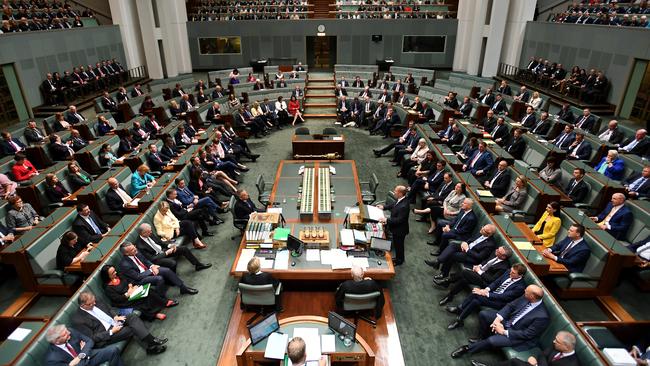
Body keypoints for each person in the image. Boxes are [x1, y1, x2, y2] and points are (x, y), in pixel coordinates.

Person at [451, 285, 550, 359]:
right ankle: (480, 337)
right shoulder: (526, 297)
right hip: (508, 321)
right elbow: (510, 305)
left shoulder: (542, 317)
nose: (524, 291)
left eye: (527, 292)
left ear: (532, 297)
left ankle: (467, 349)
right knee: (484, 314)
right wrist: (498, 319)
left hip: (517, 334)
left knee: (492, 340)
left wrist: (503, 331)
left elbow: (527, 334)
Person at [72, 291, 167, 355]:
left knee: (132, 317)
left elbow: (109, 308)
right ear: (83, 305)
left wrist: (115, 316)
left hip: (114, 321)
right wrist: (111, 331)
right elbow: (92, 338)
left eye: (94, 302)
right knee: (132, 329)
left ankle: (151, 342)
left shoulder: (95, 300)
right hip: (106, 334)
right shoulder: (79, 320)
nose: (94, 304)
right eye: (91, 304)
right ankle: (151, 346)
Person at [446, 264, 527, 330]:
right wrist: (486, 290)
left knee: (476, 294)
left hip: (500, 303)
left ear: (520, 275)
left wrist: (485, 294)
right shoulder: (508, 272)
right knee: (476, 301)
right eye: (511, 271)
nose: (510, 273)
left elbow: (503, 297)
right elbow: (496, 282)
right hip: (492, 293)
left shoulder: (520, 287)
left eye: (513, 273)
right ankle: (460, 319)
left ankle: (460, 311)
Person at [436, 246, 513, 305]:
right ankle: (450, 295)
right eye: (497, 249)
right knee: (464, 280)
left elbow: (491, 280)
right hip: (479, 271)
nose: (496, 251)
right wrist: (479, 266)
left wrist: (479, 271)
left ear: (503, 257)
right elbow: (486, 261)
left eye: (498, 252)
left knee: (465, 272)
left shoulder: (504, 267)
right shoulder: (495, 253)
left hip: (484, 281)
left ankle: (448, 281)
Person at [118, 241, 198, 295]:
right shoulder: (124, 264)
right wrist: (151, 269)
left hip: (148, 271)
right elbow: (137, 277)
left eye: (134, 247)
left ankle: (183, 288)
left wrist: (152, 266)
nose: (135, 249)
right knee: (159, 278)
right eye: (132, 249)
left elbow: (145, 260)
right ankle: (162, 299)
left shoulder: (136, 252)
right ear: (126, 253)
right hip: (140, 280)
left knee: (167, 270)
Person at [100, 265, 172, 322]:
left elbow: (129, 281)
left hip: (132, 292)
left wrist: (131, 287)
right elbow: (118, 299)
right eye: (112, 273)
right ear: (107, 276)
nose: (115, 273)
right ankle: (155, 315)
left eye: (114, 271)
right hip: (124, 301)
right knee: (139, 301)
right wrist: (128, 293)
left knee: (148, 291)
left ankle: (164, 302)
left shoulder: (118, 275)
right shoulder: (107, 287)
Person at [426, 224, 497, 279]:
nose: (481, 229)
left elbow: (479, 257)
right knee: (453, 245)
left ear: (489, 234)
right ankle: (437, 262)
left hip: (471, 257)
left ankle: (444, 273)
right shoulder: (481, 232)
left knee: (453, 255)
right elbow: (471, 240)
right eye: (482, 227)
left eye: (484, 230)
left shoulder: (490, 244)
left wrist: (467, 250)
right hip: (467, 248)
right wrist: (465, 243)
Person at [471, 331, 579, 366]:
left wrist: (536, 364)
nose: (553, 342)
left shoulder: (572, 363)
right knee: (514, 361)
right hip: (535, 364)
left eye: (557, 341)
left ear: (566, 346)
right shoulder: (556, 345)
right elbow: (542, 354)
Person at [135, 223, 211, 272]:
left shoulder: (149, 234)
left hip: (163, 251)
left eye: (150, 231)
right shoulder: (139, 245)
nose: (151, 232)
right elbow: (152, 259)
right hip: (156, 259)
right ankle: (172, 279)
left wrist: (170, 245)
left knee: (184, 249)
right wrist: (166, 253)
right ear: (143, 233)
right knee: (172, 263)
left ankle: (198, 265)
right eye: (149, 232)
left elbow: (160, 242)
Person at [44, 324, 124, 366]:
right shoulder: (52, 359)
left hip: (87, 356)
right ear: (56, 341)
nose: (69, 333)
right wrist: (84, 355)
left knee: (113, 350)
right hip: (84, 362)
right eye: (65, 334)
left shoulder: (70, 331)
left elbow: (89, 341)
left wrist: (81, 354)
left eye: (67, 331)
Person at [376, 186, 410, 266]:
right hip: (396, 228)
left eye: (395, 191)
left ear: (400, 193)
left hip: (400, 230)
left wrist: (386, 220)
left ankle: (399, 260)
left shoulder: (404, 206)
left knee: (399, 246)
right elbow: (394, 205)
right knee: (397, 245)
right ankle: (398, 258)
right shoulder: (401, 200)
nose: (394, 192)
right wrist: (384, 207)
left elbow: (399, 220)